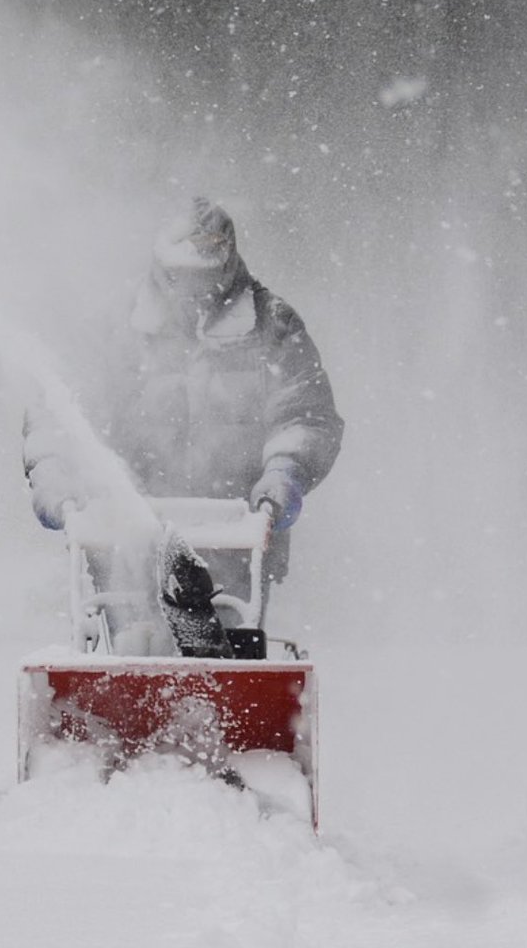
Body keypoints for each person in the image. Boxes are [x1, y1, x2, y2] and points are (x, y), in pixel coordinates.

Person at [23, 196, 343, 651]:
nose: (195, 291)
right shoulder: (115, 329)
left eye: (207, 277)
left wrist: (283, 475)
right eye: (181, 277)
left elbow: (304, 412)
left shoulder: (272, 327)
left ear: (228, 266)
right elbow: (61, 413)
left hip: (237, 534)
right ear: (159, 267)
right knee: (135, 649)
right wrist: (55, 475)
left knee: (224, 652)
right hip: (124, 534)